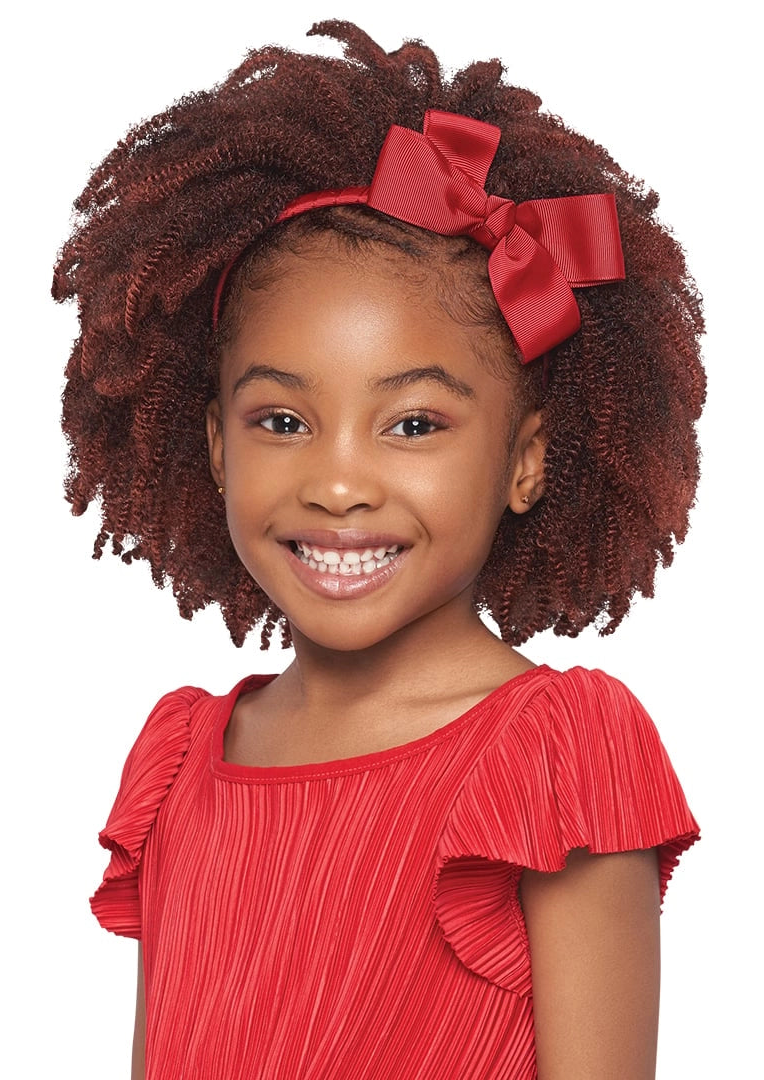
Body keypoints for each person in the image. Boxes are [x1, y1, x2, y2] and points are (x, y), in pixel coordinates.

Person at [53, 20, 704, 1080]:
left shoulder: (555, 757)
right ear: (214, 446)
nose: (338, 482)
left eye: (411, 424)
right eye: (281, 421)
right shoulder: (181, 763)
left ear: (525, 460)